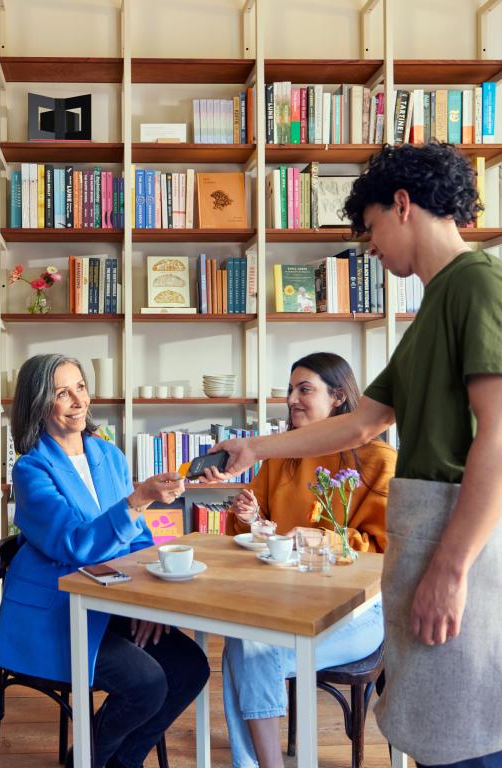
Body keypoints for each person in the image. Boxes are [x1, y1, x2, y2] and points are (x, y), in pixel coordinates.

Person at [205, 142, 502, 768]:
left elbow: (498, 437)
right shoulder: (434, 307)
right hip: (431, 540)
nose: (370, 247)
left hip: (460, 546)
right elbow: (359, 424)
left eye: (370, 228)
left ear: (403, 205)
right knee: (439, 738)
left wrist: (450, 570)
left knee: (469, 738)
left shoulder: (478, 284)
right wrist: (254, 447)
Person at [0, 354, 209, 768]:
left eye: (80, 387)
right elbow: (74, 545)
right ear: (39, 404)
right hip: (56, 613)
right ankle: (90, 761)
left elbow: (139, 540)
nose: (79, 401)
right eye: (62, 393)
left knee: (190, 667)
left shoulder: (108, 455)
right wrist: (139, 498)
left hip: (111, 600)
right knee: (146, 683)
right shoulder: (30, 470)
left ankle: (115, 761)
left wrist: (148, 604)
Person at [223, 352, 396, 768]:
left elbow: (384, 548)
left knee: (245, 652)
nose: (291, 400)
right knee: (245, 645)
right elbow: (249, 534)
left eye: (304, 389)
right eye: (289, 390)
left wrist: (321, 539)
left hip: (360, 611)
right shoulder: (281, 457)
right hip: (287, 603)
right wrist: (249, 517)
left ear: (338, 397)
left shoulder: (378, 460)